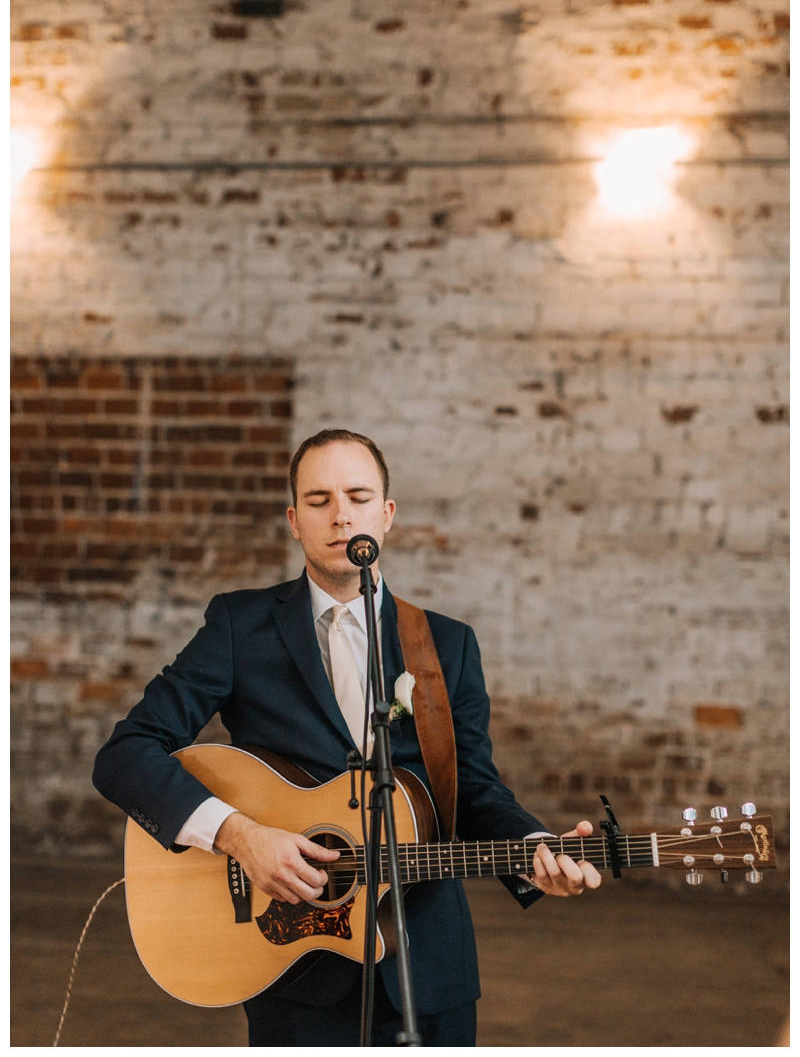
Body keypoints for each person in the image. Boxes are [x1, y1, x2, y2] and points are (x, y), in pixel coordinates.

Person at [93, 428, 601, 1046]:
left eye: (358, 497)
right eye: (318, 500)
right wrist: (241, 836)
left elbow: (473, 790)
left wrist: (535, 850)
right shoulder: (239, 626)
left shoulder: (445, 643)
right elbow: (125, 755)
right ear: (294, 520)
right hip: (295, 969)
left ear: (386, 516)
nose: (340, 516)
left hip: (427, 969)